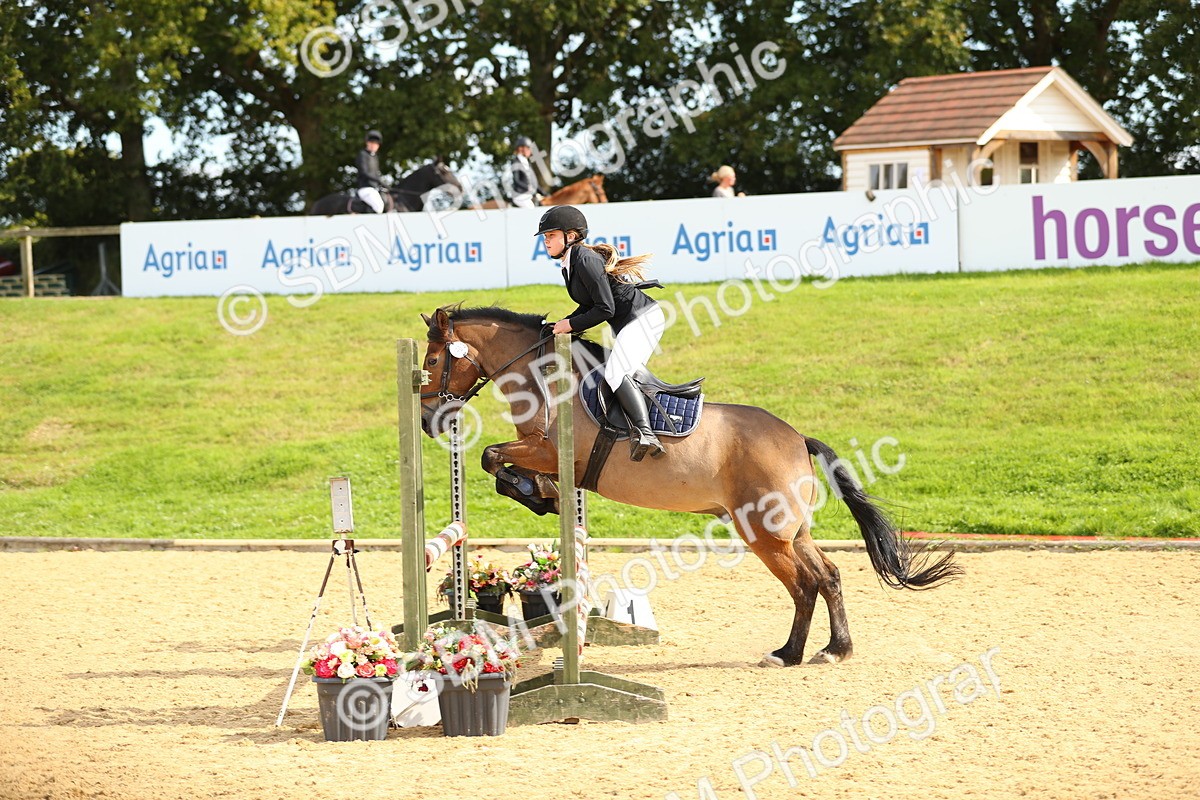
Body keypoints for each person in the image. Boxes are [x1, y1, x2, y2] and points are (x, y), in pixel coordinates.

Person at [536, 205, 667, 461]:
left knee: (617, 373)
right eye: (545, 237)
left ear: (570, 236)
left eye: (550, 235)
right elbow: (589, 304)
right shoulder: (571, 262)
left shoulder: (585, 259)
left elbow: (605, 309)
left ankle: (646, 433)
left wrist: (571, 326)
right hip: (633, 321)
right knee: (622, 372)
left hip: (643, 319)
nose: (546, 241)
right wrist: (563, 322)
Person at [356, 130, 386, 213]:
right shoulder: (362, 154)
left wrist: (382, 184)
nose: (373, 145)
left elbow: (376, 173)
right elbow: (364, 172)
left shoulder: (375, 157)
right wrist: (378, 181)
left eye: (376, 144)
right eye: (372, 142)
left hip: (374, 189)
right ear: (367, 143)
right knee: (379, 206)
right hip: (365, 188)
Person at [509, 136, 541, 208]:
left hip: (528, 195)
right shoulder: (515, 162)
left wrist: (544, 193)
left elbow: (533, 182)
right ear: (521, 148)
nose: (530, 151)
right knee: (531, 208)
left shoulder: (527, 163)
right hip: (519, 195)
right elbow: (516, 180)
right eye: (528, 148)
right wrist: (528, 188)